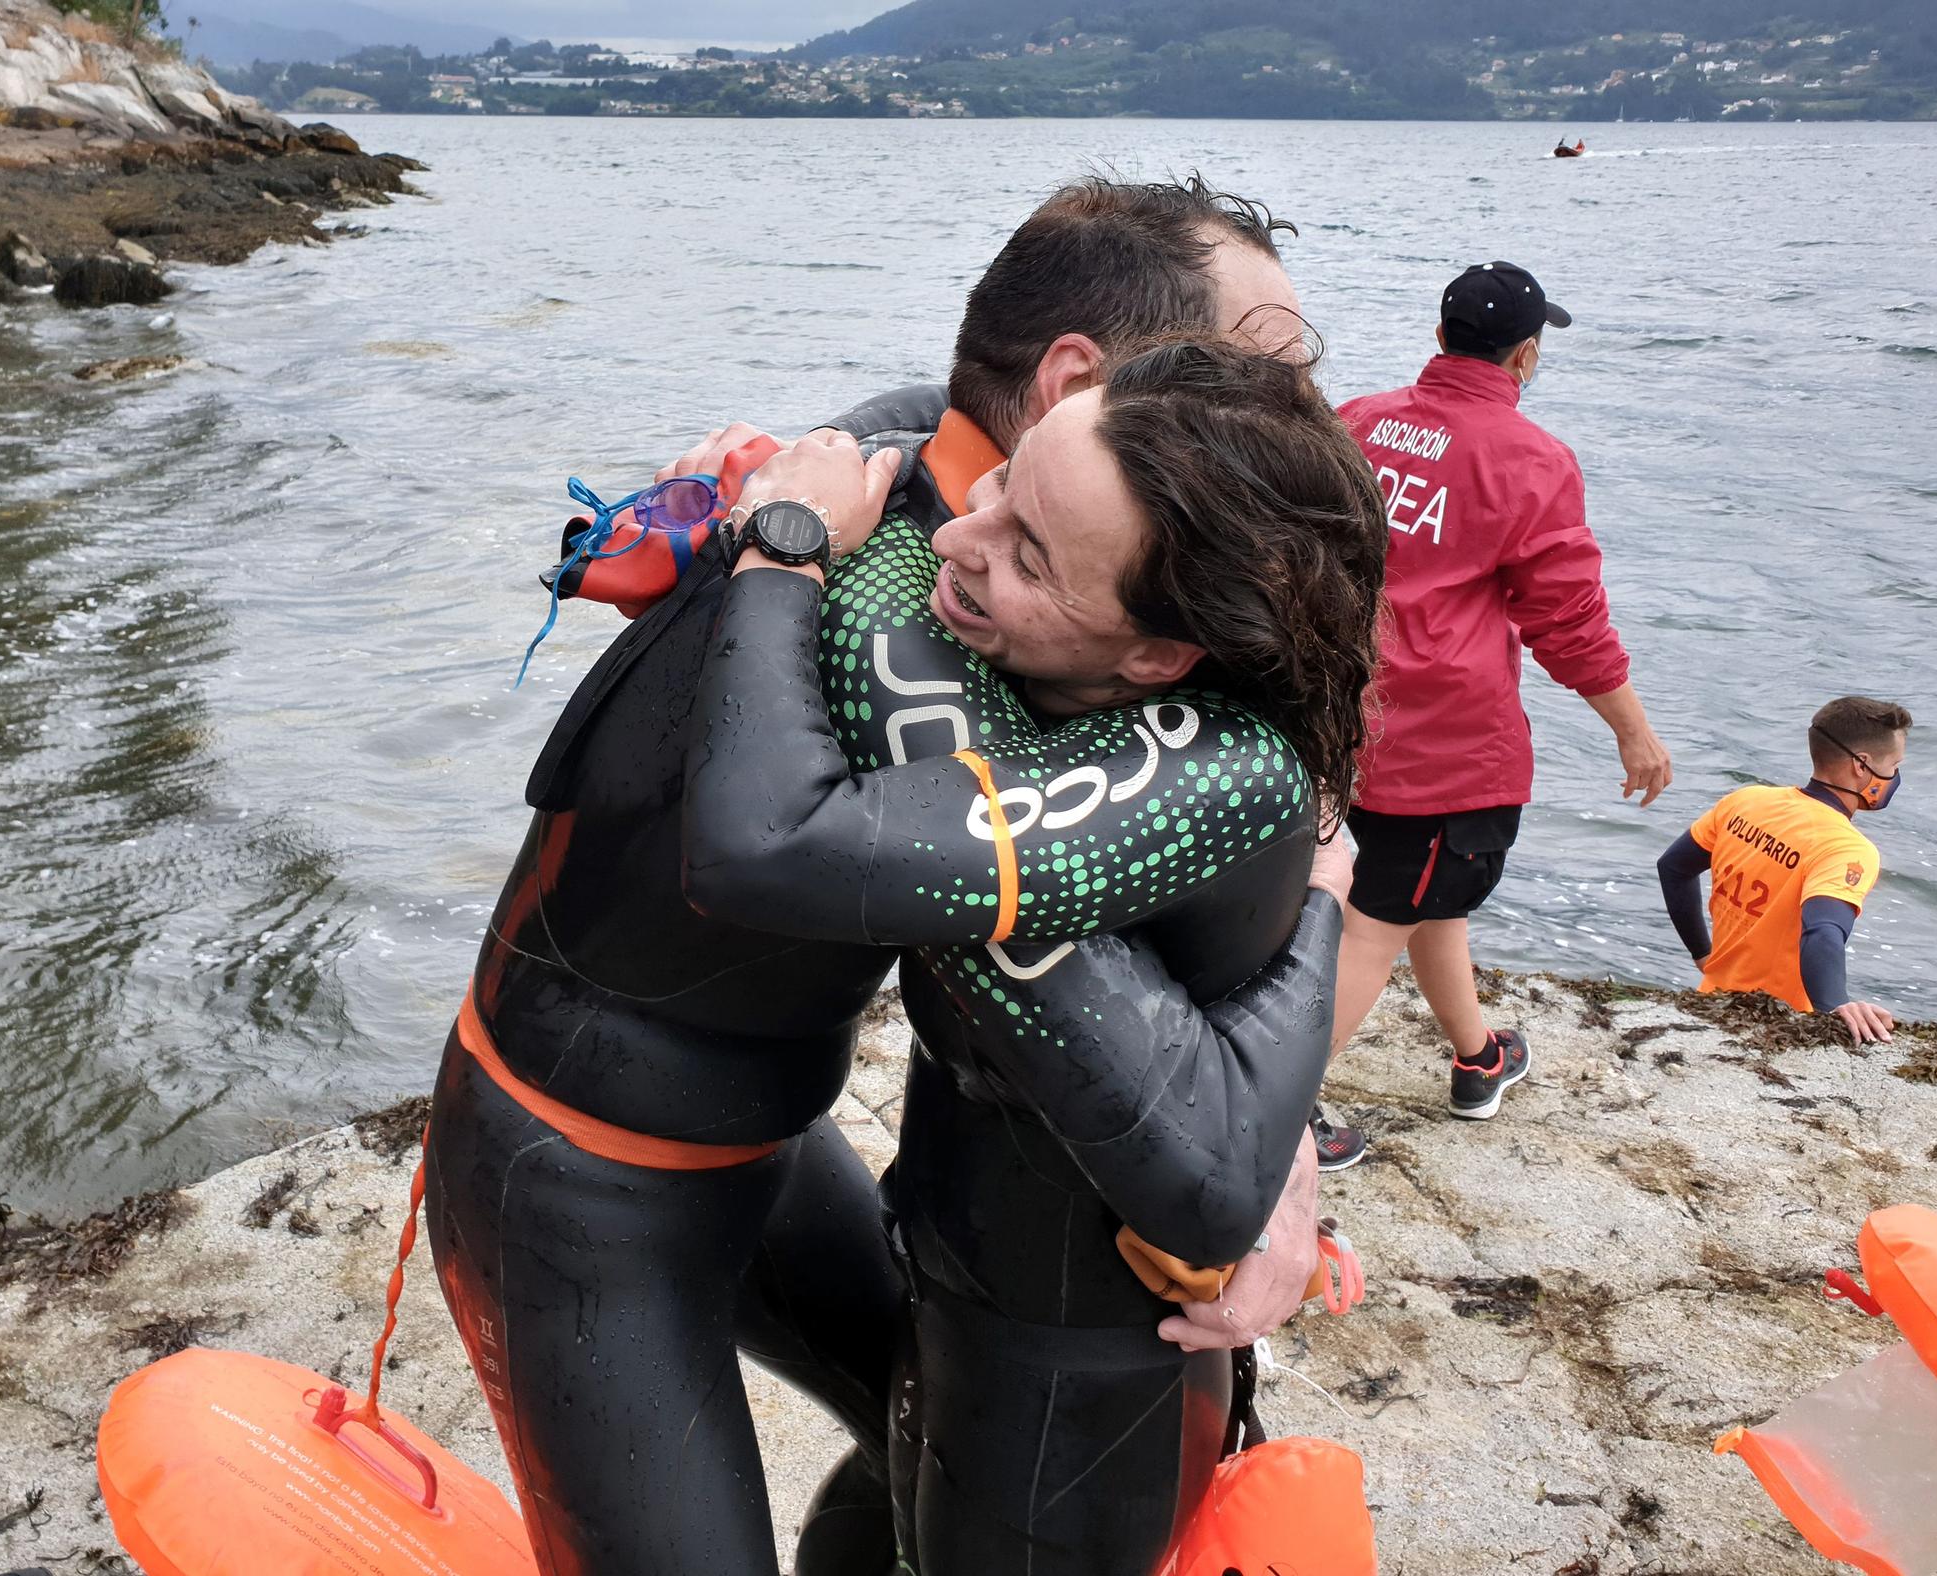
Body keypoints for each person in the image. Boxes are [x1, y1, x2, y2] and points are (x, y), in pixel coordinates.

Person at [424, 177, 1338, 1576]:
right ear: (1077, 385)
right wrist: (1265, 1182)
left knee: (930, 1432)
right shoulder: (912, 615)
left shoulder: (926, 452)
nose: (1296, 417)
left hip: (761, 1142)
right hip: (572, 1176)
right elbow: (1141, 1066)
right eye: (1255, 368)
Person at [680, 334, 1386, 1575]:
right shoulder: (1016, 655)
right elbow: (930, 419)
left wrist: (781, 544)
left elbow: (1213, 1177)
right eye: (1003, 480)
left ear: (1158, 653)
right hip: (952, 1285)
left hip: (1083, 1384)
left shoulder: (1215, 777)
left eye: (1029, 555)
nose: (963, 534)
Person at [1318, 259, 1673, 1169]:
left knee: (1428, 896)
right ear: (1526, 355)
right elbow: (1567, 618)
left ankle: (1479, 1057)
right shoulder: (1531, 460)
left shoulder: (1359, 421)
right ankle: (1273, 1118)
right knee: (1376, 916)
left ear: (1439, 339)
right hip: (1443, 741)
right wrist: (1631, 729)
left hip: (1336, 717)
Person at [1657, 695, 1910, 1044]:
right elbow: (1822, 930)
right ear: (1861, 765)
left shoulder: (1746, 801)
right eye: (1894, 765)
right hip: (1779, 1027)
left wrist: (1702, 953)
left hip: (1712, 1003)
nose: (1894, 776)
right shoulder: (1847, 847)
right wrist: (1835, 1005)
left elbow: (1673, 868)